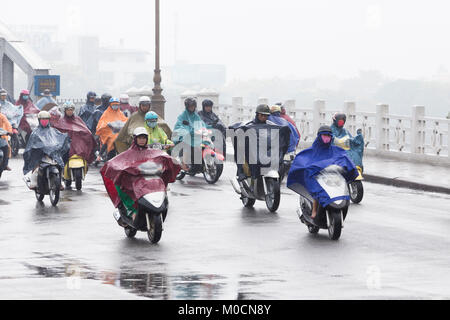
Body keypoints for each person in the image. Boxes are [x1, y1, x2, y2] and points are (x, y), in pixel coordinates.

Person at [101, 127, 180, 221]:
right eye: (140, 138)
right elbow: (118, 162)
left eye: (144, 138)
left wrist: (175, 162)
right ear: (135, 139)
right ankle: (131, 210)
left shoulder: (152, 152)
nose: (142, 140)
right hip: (135, 180)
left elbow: (162, 157)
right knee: (121, 186)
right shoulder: (129, 153)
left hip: (149, 179)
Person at [287, 125, 358, 219]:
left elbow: (343, 158)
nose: (326, 138)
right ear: (319, 136)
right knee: (317, 190)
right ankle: (314, 210)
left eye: (328, 135)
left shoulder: (336, 150)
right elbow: (304, 161)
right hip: (319, 177)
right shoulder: (313, 150)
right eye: (324, 135)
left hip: (333, 176)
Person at [23, 111, 70, 190]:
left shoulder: (53, 131)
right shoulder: (35, 133)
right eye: (42, 119)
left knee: (60, 165)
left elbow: (59, 138)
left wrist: (65, 140)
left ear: (49, 120)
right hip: (40, 156)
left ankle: (60, 181)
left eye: (46, 119)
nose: (44, 121)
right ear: (39, 120)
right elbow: (31, 146)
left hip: (53, 155)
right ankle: (34, 181)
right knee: (37, 168)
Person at [52, 101, 97, 186]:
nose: (70, 111)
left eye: (71, 110)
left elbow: (85, 130)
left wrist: (88, 136)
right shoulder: (61, 121)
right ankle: (62, 172)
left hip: (77, 143)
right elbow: (56, 132)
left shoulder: (78, 119)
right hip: (65, 145)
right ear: (64, 111)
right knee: (63, 157)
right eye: (68, 110)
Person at [172, 98, 208, 170]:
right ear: (187, 107)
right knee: (187, 145)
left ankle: (199, 161)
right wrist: (187, 130)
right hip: (183, 135)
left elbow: (201, 123)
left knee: (204, 143)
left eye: (193, 106)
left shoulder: (196, 115)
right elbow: (180, 125)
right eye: (190, 106)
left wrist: (205, 128)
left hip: (194, 135)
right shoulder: (182, 115)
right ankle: (184, 164)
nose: (192, 107)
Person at [0, 111, 13, 176]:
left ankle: (5, 164)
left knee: (7, 147)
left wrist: (9, 131)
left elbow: (7, 124)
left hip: (1, 137)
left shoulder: (2, 116)